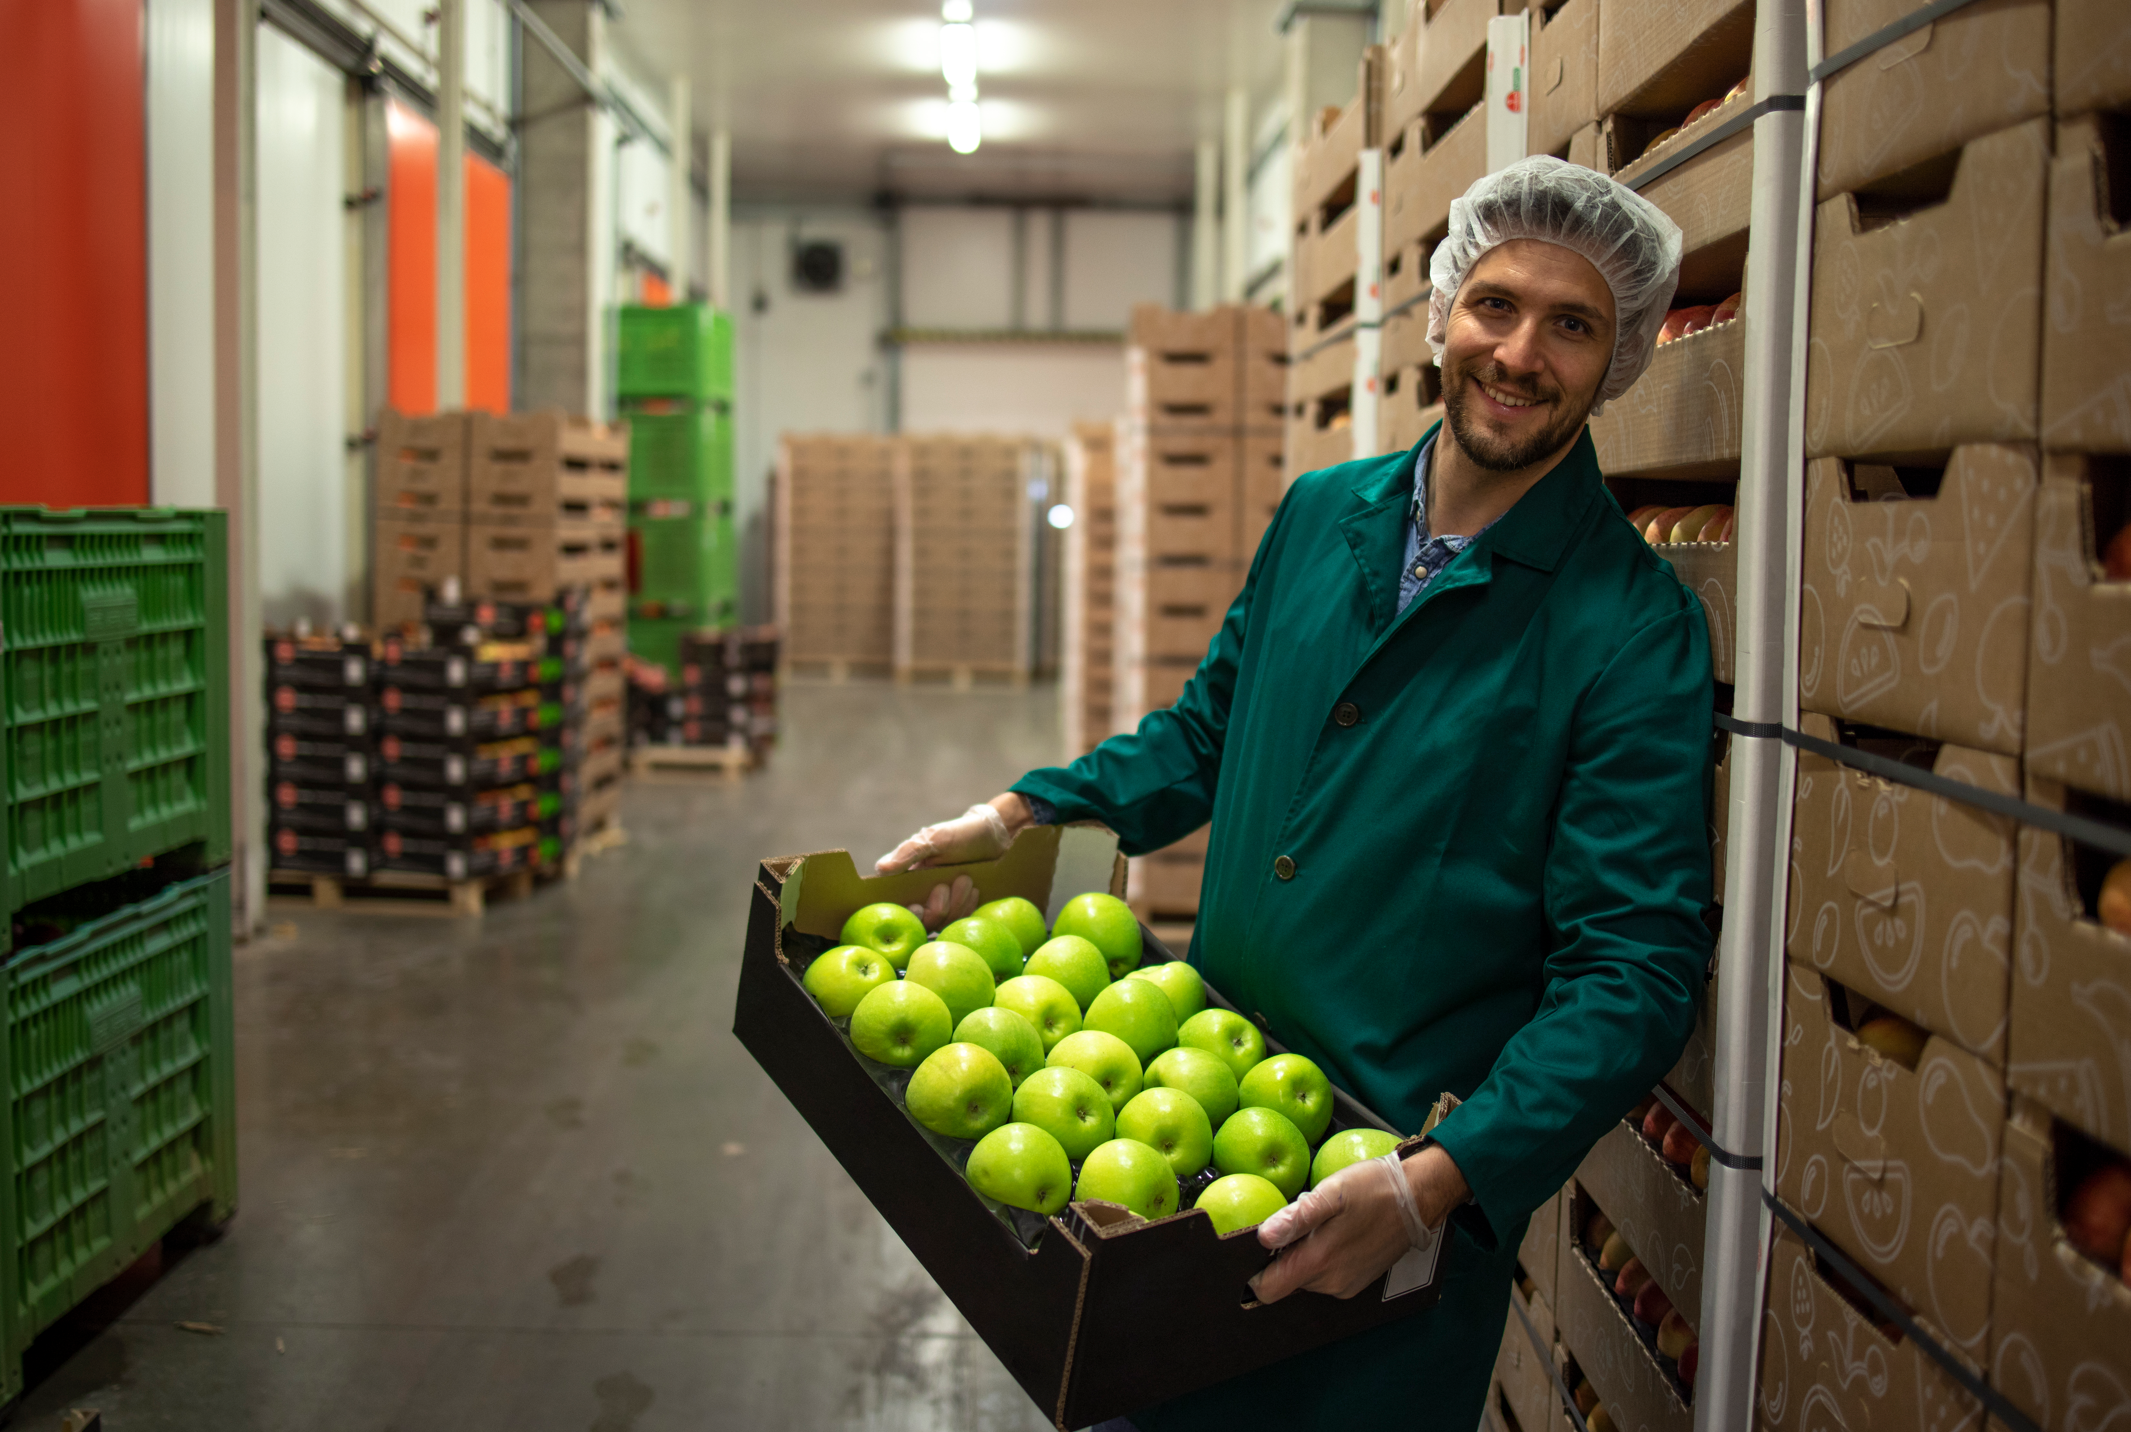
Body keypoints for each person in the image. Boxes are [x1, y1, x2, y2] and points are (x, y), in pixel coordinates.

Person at [878, 157, 1712, 1432]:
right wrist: (1023, 812)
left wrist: (1442, 1179)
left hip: (1383, 1189)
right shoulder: (1323, 514)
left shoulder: (1629, 627)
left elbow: (1635, 966)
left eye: (1573, 324)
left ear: (1621, 359)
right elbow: (1207, 731)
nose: (1519, 351)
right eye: (1495, 304)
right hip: (1178, 1120)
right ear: (1442, 313)